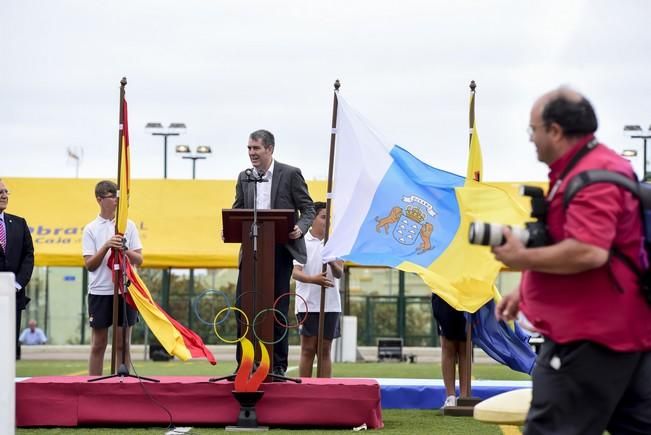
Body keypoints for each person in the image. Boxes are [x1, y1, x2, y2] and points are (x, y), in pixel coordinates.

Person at [493, 87, 651, 434]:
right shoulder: (593, 168)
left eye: (532, 129)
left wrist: (522, 258)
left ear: (555, 130)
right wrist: (526, 290)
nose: (531, 138)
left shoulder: (592, 176)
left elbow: (589, 251)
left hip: (588, 339)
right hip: (616, 332)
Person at [233, 129, 315, 377]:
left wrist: (300, 229)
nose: (251, 153)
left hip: (279, 251)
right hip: (251, 252)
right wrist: (228, 228)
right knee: (243, 306)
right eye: (249, 148)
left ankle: (277, 364)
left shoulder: (290, 174)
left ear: (269, 149)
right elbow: (237, 210)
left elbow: (308, 208)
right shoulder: (244, 177)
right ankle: (245, 362)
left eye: (256, 148)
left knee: (277, 308)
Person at [82, 180, 143, 376]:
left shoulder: (128, 225)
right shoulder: (90, 229)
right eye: (112, 196)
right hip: (100, 291)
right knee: (99, 344)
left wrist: (125, 251)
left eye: (118, 196)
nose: (116, 201)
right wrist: (107, 246)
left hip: (124, 290)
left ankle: (123, 385)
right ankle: (93, 386)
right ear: (99, 199)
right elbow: (90, 265)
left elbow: (139, 259)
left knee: (122, 343)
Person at [292, 201, 343, 378]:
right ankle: (304, 389)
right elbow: (296, 273)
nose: (327, 221)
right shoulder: (301, 242)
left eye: (329, 217)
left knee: (324, 349)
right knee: (307, 348)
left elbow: (339, 273)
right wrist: (313, 280)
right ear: (312, 219)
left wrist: (330, 260)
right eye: (323, 217)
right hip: (308, 303)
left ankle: (324, 389)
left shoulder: (336, 243)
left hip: (330, 305)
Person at [0, 179, 35, 360]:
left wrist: (16, 284)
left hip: (13, 296)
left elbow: (28, 257)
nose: (5, 196)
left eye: (6, 192)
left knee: (8, 348)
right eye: (1, 193)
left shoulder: (19, 224)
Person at [431, 294, 470, 408]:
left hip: (467, 294)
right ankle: (450, 397)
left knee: (465, 346)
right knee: (448, 345)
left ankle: (464, 397)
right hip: (443, 293)